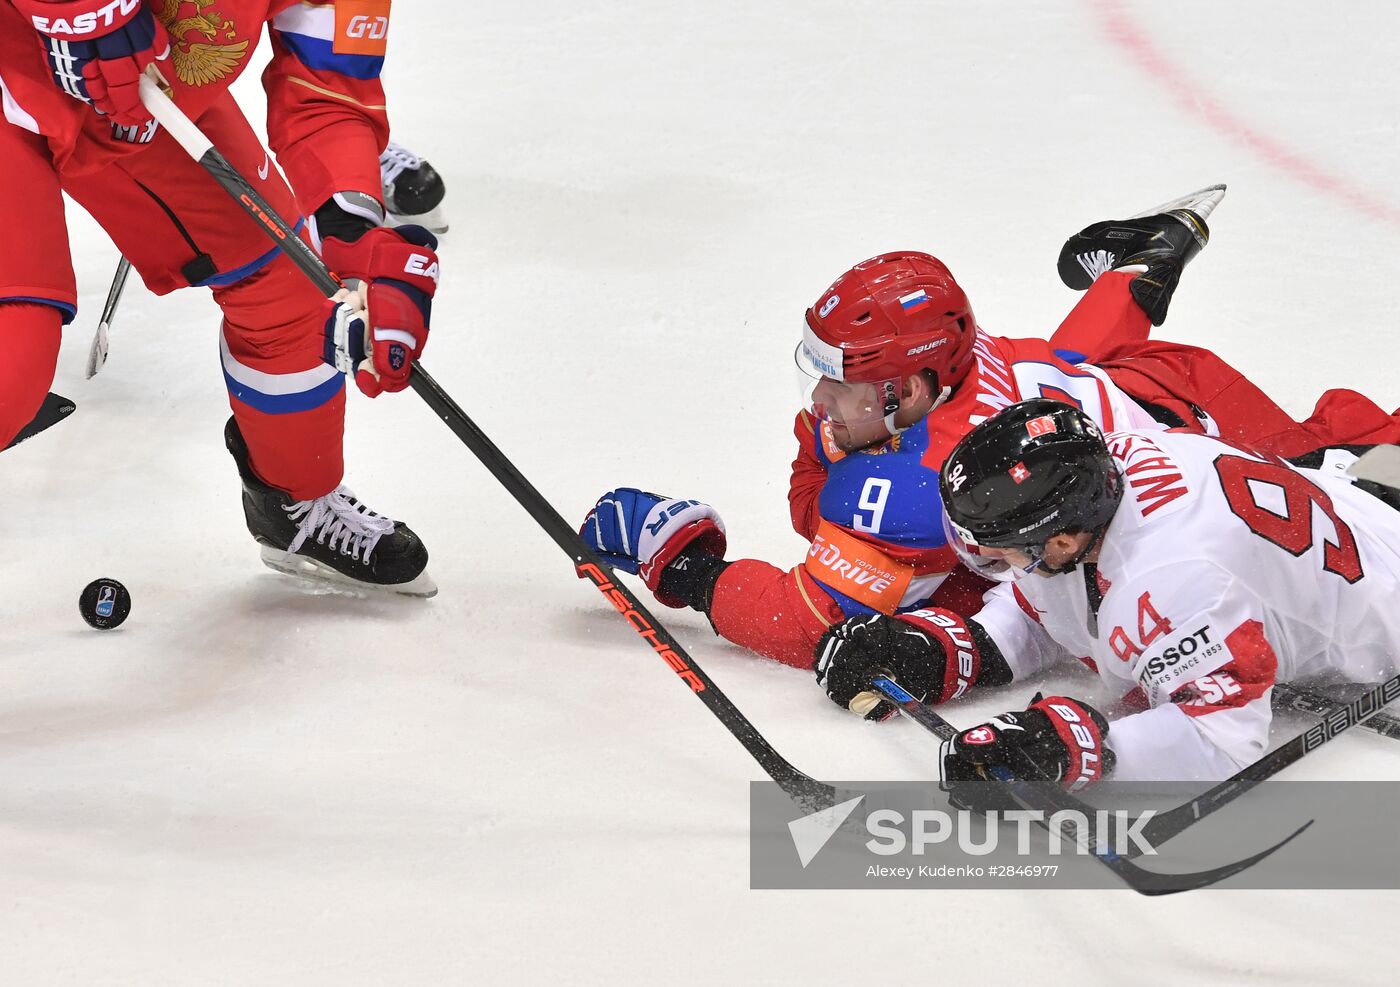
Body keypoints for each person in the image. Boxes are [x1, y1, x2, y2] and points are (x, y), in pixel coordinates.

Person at [581, 185, 1400, 668]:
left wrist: (686, 570)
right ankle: (1147, 259)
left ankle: (1148, 263)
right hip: (1148, 380)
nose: (819, 400)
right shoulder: (958, 368)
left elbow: (812, 613)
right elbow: (1065, 359)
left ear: (907, 389)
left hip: (1210, 440)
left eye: (841, 379)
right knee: (1072, 360)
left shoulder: (917, 485)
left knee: (1365, 473)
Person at [0, 0, 439, 595]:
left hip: (141, 102)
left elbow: (328, 87)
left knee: (290, 282)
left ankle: (292, 500)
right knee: (11, 368)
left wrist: (351, 229)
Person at [813, 398, 1400, 795]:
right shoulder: (1097, 474)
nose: (994, 565)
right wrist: (953, 647)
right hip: (1362, 505)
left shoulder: (1177, 576)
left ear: (1064, 540)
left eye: (998, 550)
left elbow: (1221, 738)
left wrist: (1079, 748)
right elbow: (1056, 597)